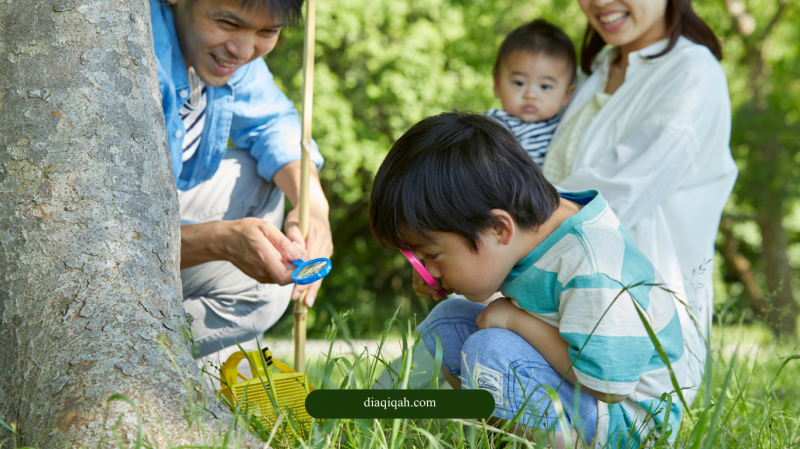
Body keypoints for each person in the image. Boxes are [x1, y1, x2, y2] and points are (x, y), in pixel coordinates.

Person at [369, 112, 686, 447]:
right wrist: (442, 273)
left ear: (498, 229)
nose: (426, 268)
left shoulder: (592, 267)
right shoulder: (526, 223)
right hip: (584, 397)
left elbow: (608, 383)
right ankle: (497, 436)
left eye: (431, 254)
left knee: (489, 349)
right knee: (445, 324)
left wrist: (512, 319)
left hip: (631, 423)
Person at [542, 0, 737, 405]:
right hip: (552, 296)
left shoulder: (691, 72)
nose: (598, 3)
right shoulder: (594, 72)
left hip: (629, 333)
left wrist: (486, 242)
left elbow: (607, 201)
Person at [150, 0, 333, 370]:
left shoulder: (227, 61)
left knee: (264, 182)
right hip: (105, 249)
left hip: (160, 230)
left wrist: (314, 208)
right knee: (263, 293)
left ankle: (211, 373)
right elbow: (96, 243)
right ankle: (144, 359)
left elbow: (274, 127)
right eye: (227, 22)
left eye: (268, 32)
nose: (245, 51)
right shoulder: (137, 53)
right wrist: (220, 240)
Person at [486, 19, 576, 167]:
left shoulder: (565, 129)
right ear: (497, 84)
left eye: (545, 87)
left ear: (566, 95)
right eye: (519, 83)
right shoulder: (496, 126)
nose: (530, 95)